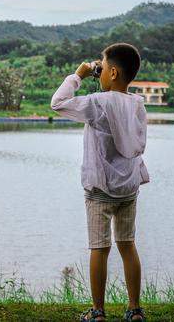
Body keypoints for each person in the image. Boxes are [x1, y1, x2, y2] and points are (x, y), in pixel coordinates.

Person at [50, 43, 149, 322]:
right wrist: (103, 77)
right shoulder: (137, 104)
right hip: (129, 188)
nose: (99, 71)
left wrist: (79, 75)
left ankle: (98, 312)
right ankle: (134, 309)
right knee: (127, 244)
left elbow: (58, 103)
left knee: (99, 248)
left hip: (99, 190)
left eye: (102, 68)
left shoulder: (97, 103)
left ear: (114, 72)